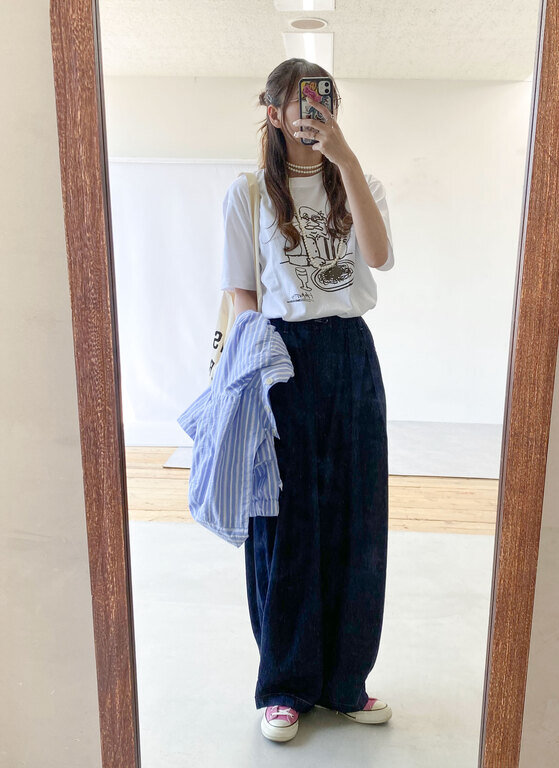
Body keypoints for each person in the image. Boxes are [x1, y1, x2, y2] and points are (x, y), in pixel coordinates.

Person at [219, 58, 395, 743]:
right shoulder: (247, 193)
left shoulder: (360, 182)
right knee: (284, 524)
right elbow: (242, 292)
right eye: (300, 101)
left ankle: (345, 681)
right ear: (272, 111)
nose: (313, 112)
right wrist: (245, 379)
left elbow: (378, 258)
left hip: (350, 353)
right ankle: (284, 686)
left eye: (325, 100)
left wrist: (345, 158)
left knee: (358, 519)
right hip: (280, 357)